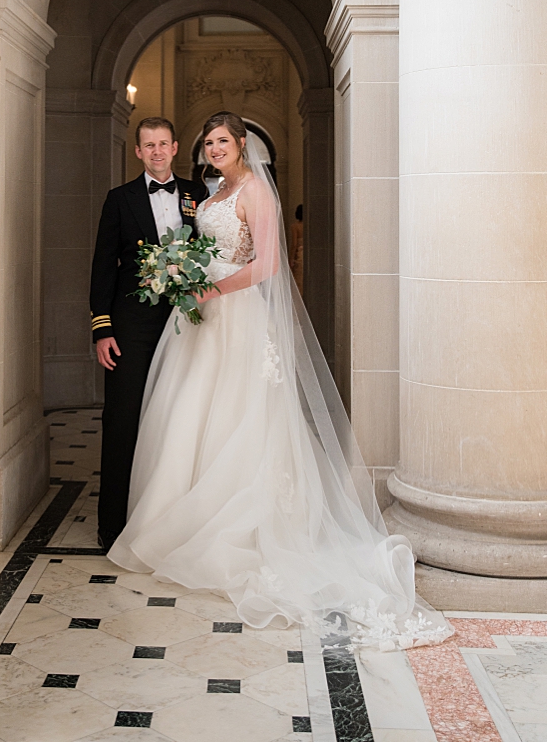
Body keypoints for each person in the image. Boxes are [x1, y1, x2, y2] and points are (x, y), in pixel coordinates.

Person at [108, 112, 452, 650]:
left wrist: (213, 290)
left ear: (241, 143)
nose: (215, 148)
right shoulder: (212, 192)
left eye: (223, 140)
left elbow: (269, 264)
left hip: (237, 318)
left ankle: (238, 525)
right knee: (190, 413)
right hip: (201, 319)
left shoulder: (257, 192)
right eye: (209, 142)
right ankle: (176, 514)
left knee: (240, 415)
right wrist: (187, 274)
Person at [89, 117, 206, 551]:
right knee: (122, 417)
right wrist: (102, 328)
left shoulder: (199, 194)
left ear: (175, 147)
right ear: (137, 151)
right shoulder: (119, 199)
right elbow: (103, 266)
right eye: (147, 145)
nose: (156, 151)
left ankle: (170, 519)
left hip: (187, 323)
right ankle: (113, 524)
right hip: (131, 326)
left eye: (162, 144)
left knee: (180, 419)